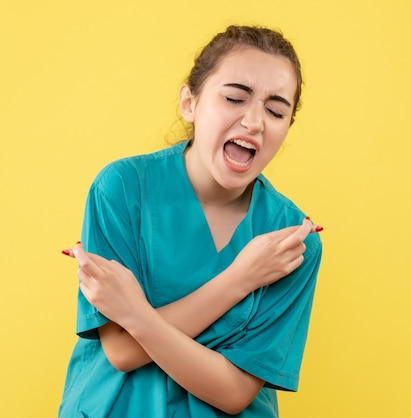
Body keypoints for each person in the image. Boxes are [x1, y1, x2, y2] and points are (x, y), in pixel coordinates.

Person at [59, 25, 323, 418]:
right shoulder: (121, 190)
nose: (254, 122)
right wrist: (241, 278)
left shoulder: (292, 241)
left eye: (275, 110)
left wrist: (136, 314)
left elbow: (234, 392)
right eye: (235, 98)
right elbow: (120, 350)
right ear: (190, 102)